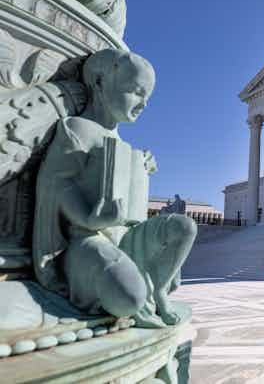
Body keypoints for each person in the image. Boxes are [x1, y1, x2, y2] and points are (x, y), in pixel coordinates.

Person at [33, 49, 196, 327]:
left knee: (185, 227)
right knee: (129, 299)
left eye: (147, 96)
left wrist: (141, 169)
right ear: (99, 82)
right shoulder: (77, 129)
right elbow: (57, 185)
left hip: (128, 235)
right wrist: (88, 218)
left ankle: (158, 288)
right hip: (87, 240)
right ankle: (136, 291)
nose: (143, 103)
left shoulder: (122, 144)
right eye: (135, 91)